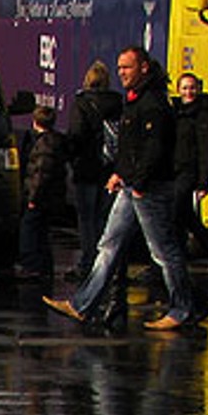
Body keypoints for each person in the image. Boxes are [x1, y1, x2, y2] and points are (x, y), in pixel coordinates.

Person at [44, 46, 198, 332]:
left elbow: (155, 149)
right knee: (109, 245)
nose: (122, 74)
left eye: (127, 67)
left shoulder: (152, 103)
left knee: (163, 251)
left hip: (148, 188)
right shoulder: (134, 100)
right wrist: (120, 174)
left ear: (144, 68)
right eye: (119, 68)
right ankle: (83, 305)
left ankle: (183, 307)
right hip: (131, 186)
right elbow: (130, 147)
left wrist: (138, 181)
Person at [171, 72, 208, 295]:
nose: (189, 93)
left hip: (189, 172)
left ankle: (177, 263)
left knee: (176, 215)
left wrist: (204, 181)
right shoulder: (176, 112)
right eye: (185, 88)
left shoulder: (202, 114)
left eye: (192, 88)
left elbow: (205, 150)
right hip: (175, 171)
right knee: (189, 220)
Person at [66, 61, 123, 281]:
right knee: (105, 218)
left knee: (86, 219)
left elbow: (77, 135)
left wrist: (71, 157)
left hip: (87, 167)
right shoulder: (118, 102)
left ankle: (88, 262)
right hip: (110, 168)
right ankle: (106, 262)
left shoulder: (82, 103)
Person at [17, 102, 67, 285]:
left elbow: (40, 174)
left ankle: (31, 266)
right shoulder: (55, 141)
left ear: (35, 121)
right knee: (43, 232)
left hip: (40, 197)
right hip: (51, 197)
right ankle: (45, 267)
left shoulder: (43, 145)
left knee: (29, 229)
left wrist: (33, 198)